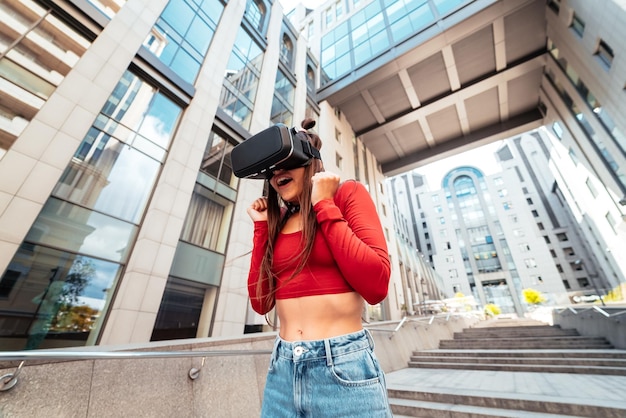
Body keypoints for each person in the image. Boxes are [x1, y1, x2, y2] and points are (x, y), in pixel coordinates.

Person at [246, 118, 392, 417]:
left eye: (285, 162)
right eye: (270, 170)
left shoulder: (346, 194)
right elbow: (261, 302)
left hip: (343, 366)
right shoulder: (282, 219)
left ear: (310, 160)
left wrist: (324, 204)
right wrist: (262, 229)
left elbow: (376, 285)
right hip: (283, 368)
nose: (276, 174)